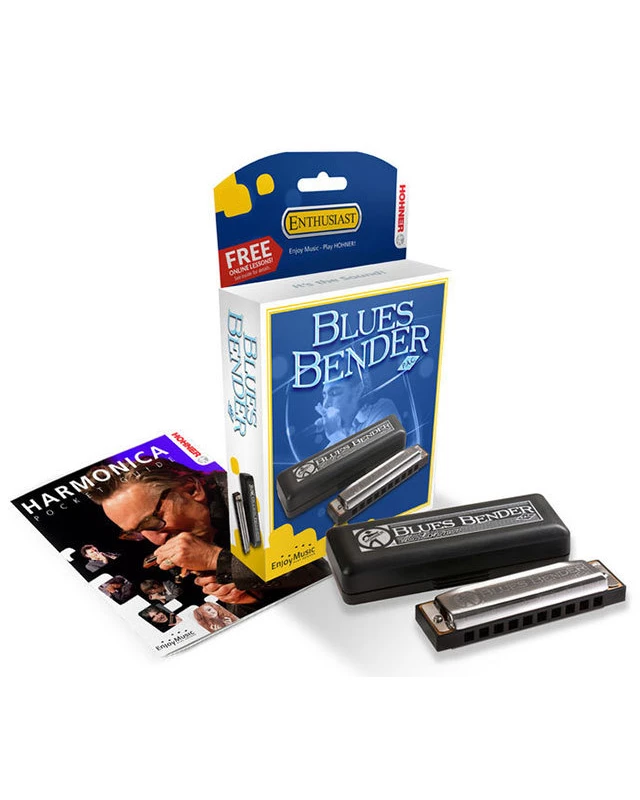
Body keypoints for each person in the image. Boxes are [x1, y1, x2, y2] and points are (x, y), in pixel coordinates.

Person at [83, 458, 330, 616]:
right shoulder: (183, 539)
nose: (156, 540)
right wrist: (247, 599)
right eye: (137, 532)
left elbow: (325, 563)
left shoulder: (259, 494)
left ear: (192, 489)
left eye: (151, 521)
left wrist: (217, 560)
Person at [315, 370, 400, 445]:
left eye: (334, 393)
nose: (325, 404)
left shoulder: (381, 410)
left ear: (358, 390)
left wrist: (335, 434)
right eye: (324, 396)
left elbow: (376, 453)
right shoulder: (331, 445)